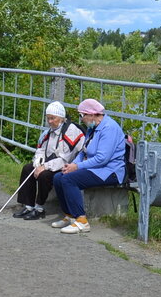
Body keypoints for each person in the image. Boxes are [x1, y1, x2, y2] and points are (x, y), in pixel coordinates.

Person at [51, 98, 125, 234]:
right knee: (58, 177)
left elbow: (102, 159)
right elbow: (84, 151)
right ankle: (70, 215)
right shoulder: (93, 127)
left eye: (82, 115)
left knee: (69, 179)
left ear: (91, 114)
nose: (81, 119)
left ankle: (82, 221)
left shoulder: (109, 128)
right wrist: (73, 164)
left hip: (109, 171)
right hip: (95, 168)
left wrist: (77, 167)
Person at [13, 101, 85, 220]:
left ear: (61, 118)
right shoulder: (50, 130)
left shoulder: (71, 131)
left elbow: (64, 159)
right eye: (48, 118)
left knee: (44, 175)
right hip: (50, 162)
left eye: (53, 118)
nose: (50, 121)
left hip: (67, 166)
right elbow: (41, 149)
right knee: (28, 168)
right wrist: (38, 163)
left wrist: (44, 167)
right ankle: (28, 205)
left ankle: (39, 207)